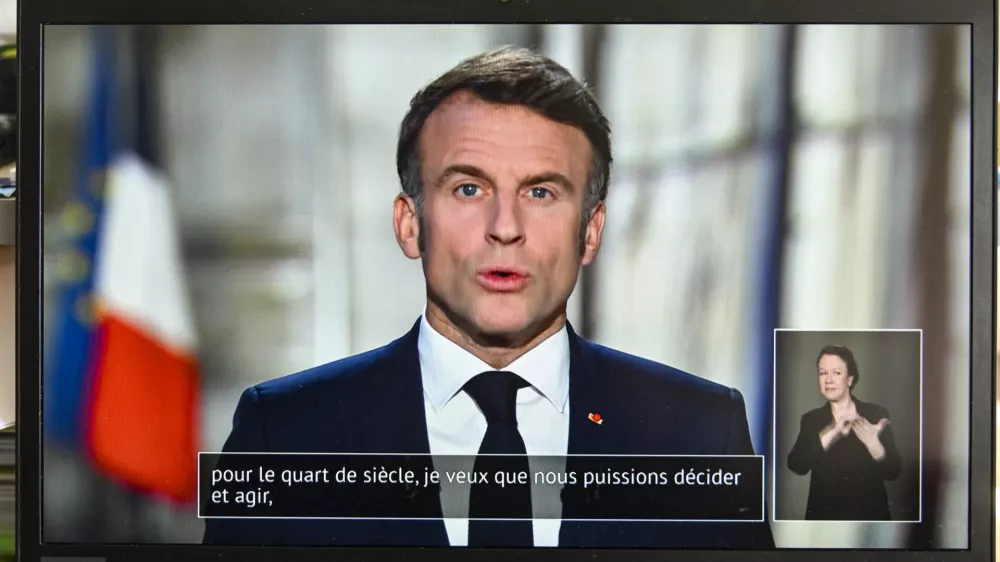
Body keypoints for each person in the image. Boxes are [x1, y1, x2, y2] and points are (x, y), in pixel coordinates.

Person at [203, 46, 774, 549]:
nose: (505, 227)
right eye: (469, 188)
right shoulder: (282, 435)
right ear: (409, 224)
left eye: (542, 191)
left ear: (591, 231)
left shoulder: (700, 435)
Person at [786, 345, 902, 520]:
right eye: (823, 373)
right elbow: (797, 465)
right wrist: (832, 433)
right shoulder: (811, 419)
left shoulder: (876, 414)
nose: (828, 380)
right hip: (824, 521)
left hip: (869, 520)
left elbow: (893, 471)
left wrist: (873, 444)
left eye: (836, 373)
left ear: (849, 379)